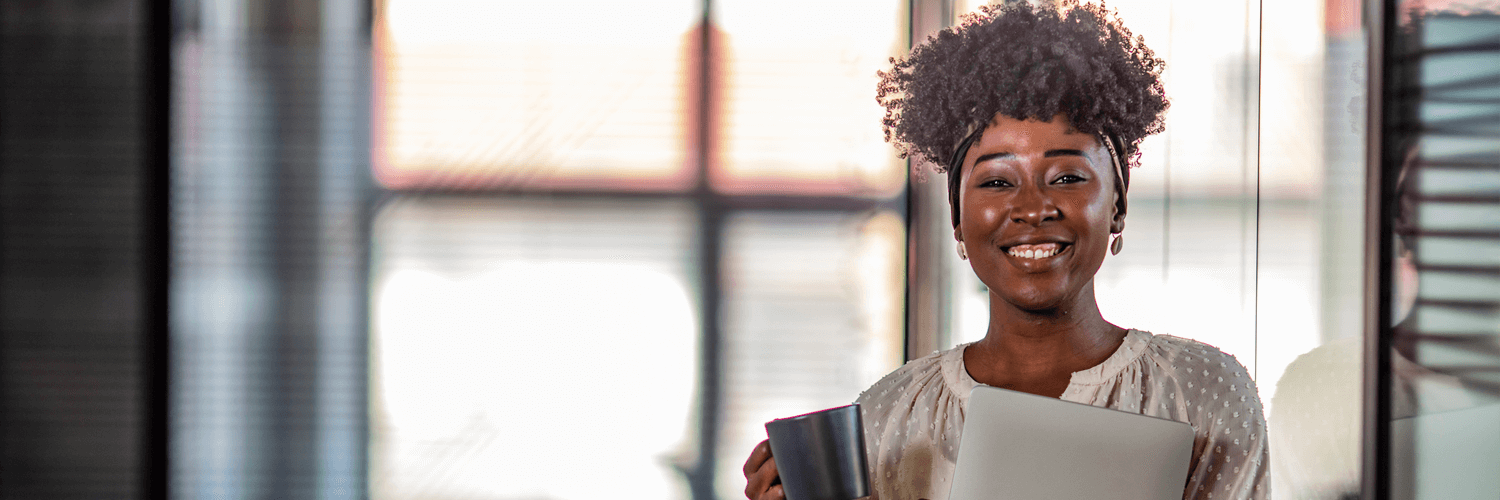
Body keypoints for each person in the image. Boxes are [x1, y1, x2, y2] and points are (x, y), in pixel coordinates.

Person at [742, 2, 1269, 499]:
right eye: (996, 182)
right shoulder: (889, 416)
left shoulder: (1202, 394)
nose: (1033, 207)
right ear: (957, 218)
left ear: (1117, 204)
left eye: (1066, 176)